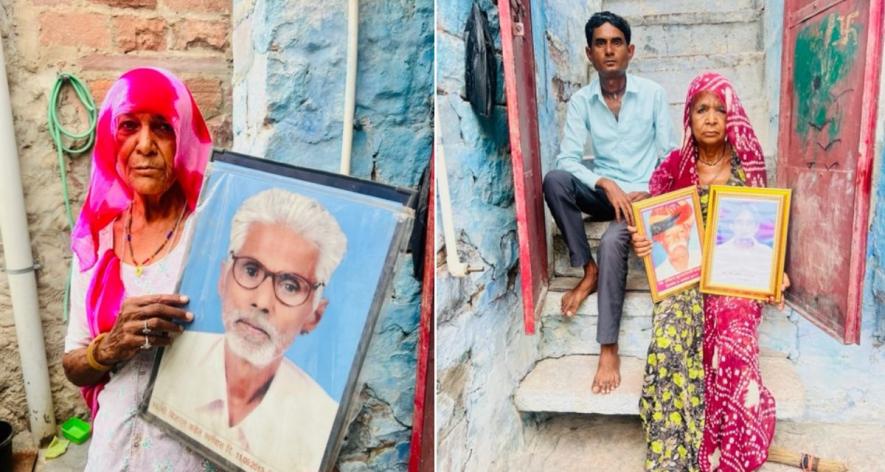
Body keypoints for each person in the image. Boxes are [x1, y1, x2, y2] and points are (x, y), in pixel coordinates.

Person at [630, 72, 789, 471]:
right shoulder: (673, 167)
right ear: (689, 116)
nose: (712, 118)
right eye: (702, 109)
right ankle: (673, 451)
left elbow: (766, 226)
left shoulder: (747, 166)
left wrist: (774, 272)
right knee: (669, 340)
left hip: (735, 277)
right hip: (683, 277)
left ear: (732, 115)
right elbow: (656, 223)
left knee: (733, 340)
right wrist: (645, 244)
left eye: (720, 109)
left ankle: (730, 448)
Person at [61, 67, 214, 470]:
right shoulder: (99, 240)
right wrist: (109, 347)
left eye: (162, 127)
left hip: (187, 455)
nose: (144, 145)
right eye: (129, 126)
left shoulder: (211, 233)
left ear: (183, 139)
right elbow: (73, 364)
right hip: (112, 452)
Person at [150, 188, 347, 472]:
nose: (262, 302)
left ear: (314, 316)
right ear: (223, 279)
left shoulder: (320, 424)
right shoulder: (171, 358)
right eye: (251, 270)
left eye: (290, 286)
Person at [542, 11, 676, 394]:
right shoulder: (582, 101)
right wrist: (604, 182)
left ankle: (608, 347)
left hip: (642, 197)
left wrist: (649, 192)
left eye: (616, 42)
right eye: (600, 43)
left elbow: (669, 156)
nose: (609, 50)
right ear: (589, 54)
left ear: (630, 51)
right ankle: (588, 270)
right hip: (605, 194)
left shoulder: (652, 95)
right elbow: (568, 159)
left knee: (614, 241)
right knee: (555, 180)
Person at [710, 206, 775, 291]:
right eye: (739, 222)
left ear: (756, 227)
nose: (744, 228)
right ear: (731, 226)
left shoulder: (767, 253)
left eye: (749, 223)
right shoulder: (718, 252)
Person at [648, 200, 700, 283]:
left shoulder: (704, 259)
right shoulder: (659, 276)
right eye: (669, 235)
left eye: (681, 231)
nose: (677, 238)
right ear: (661, 240)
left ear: (688, 233)